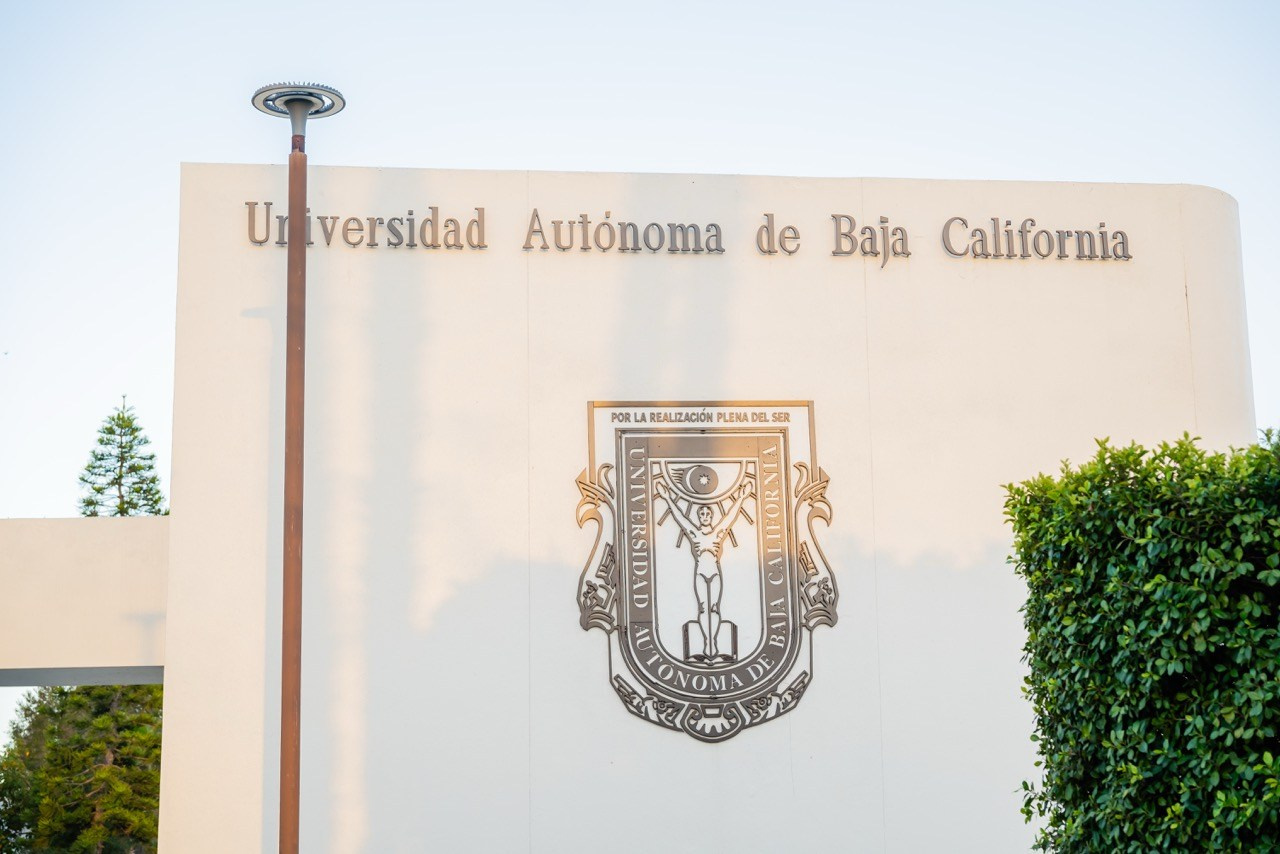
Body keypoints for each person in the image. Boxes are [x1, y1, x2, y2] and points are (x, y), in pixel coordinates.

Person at [655, 479, 755, 661]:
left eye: (707, 513)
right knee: (702, 609)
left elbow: (730, 517)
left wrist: (741, 498)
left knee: (715, 608)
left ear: (712, 516)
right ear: (699, 517)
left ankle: (713, 643)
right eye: (701, 513)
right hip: (700, 574)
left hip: (714, 574)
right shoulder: (694, 534)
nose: (705, 515)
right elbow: (681, 520)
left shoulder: (718, 533)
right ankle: (707, 643)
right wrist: (668, 498)